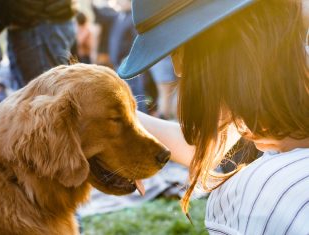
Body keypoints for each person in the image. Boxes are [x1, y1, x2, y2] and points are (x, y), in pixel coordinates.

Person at [118, 0, 309, 234]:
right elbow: (202, 146)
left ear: (221, 39)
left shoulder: (256, 196)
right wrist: (119, 114)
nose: (178, 69)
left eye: (176, 49)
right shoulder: (259, 82)